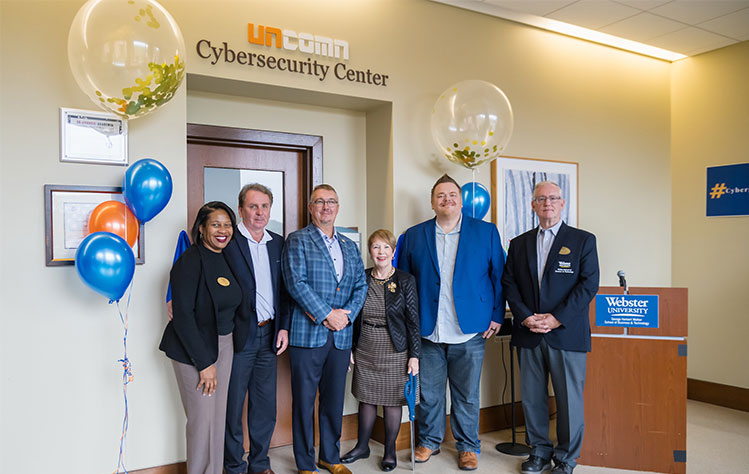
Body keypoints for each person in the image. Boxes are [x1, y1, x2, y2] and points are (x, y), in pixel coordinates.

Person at [398, 174, 505, 471]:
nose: (447, 199)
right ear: (432, 202)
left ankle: (468, 446)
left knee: (467, 395)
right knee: (429, 393)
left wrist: (497, 315)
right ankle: (429, 441)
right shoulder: (414, 235)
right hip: (428, 328)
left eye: (452, 195)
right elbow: (405, 283)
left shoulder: (486, 232)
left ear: (461, 200)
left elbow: (499, 277)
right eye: (440, 196)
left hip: (470, 328)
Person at [502, 181, 599, 474]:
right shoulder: (518, 243)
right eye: (541, 199)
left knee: (569, 402)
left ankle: (566, 459)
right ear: (533, 205)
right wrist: (524, 316)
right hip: (529, 331)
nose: (547, 203)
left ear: (562, 202)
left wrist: (556, 318)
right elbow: (509, 283)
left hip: (566, 333)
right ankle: (539, 453)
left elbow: (588, 284)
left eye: (553, 198)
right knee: (532, 398)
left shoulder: (583, 240)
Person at [281, 184, 368, 474]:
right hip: (307, 334)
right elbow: (296, 283)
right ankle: (305, 463)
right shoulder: (297, 240)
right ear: (310, 208)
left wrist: (347, 316)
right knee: (304, 402)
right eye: (319, 202)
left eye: (331, 201)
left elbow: (360, 286)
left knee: (333, 401)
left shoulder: (350, 246)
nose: (326, 207)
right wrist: (327, 314)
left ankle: (330, 457)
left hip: (341, 336)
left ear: (338, 207)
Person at [160, 201, 244, 474]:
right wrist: (204, 364)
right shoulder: (189, 262)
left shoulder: (228, 257)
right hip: (193, 349)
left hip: (225, 344)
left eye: (228, 225)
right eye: (216, 224)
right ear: (201, 228)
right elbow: (183, 317)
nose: (223, 231)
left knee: (217, 420)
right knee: (201, 422)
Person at [223, 184, 290, 474]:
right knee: (232, 406)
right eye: (253, 206)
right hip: (238, 336)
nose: (259, 212)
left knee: (264, 406)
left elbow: (285, 289)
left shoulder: (278, 242)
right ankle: (234, 466)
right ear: (241, 210)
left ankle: (260, 464)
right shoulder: (228, 241)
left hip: (270, 335)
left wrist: (284, 327)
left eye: (264, 206)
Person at [341, 229, 421, 472]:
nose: (381, 252)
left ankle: (389, 451)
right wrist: (349, 347)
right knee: (365, 398)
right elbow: (350, 316)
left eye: (386, 247)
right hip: (365, 345)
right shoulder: (361, 278)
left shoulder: (406, 280)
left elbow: (413, 321)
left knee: (391, 402)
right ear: (370, 251)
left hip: (396, 348)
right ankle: (362, 446)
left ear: (393, 251)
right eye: (376, 247)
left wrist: (414, 355)